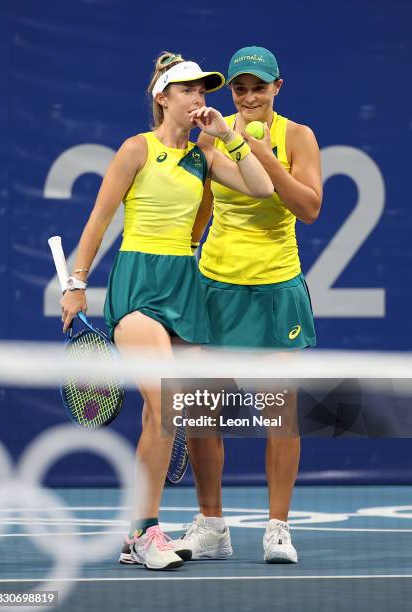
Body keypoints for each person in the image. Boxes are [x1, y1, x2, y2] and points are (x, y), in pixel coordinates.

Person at [60, 51, 274, 571]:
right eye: (188, 91)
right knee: (166, 405)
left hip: (185, 287)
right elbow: (100, 217)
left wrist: (228, 135)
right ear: (162, 98)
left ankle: (148, 533)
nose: (199, 99)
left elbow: (262, 187)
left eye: (203, 91)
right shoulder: (137, 149)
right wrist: (76, 282)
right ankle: (143, 532)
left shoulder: (205, 156)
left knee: (184, 411)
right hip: (139, 285)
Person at [179, 46, 322, 564]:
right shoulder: (211, 133)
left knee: (279, 412)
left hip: (275, 287)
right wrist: (178, 256)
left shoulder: (297, 137)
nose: (249, 96)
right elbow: (204, 209)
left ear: (277, 88)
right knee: (199, 410)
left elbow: (309, 208)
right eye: (240, 89)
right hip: (215, 286)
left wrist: (255, 152)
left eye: (259, 87)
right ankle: (212, 524)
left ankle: (277, 528)